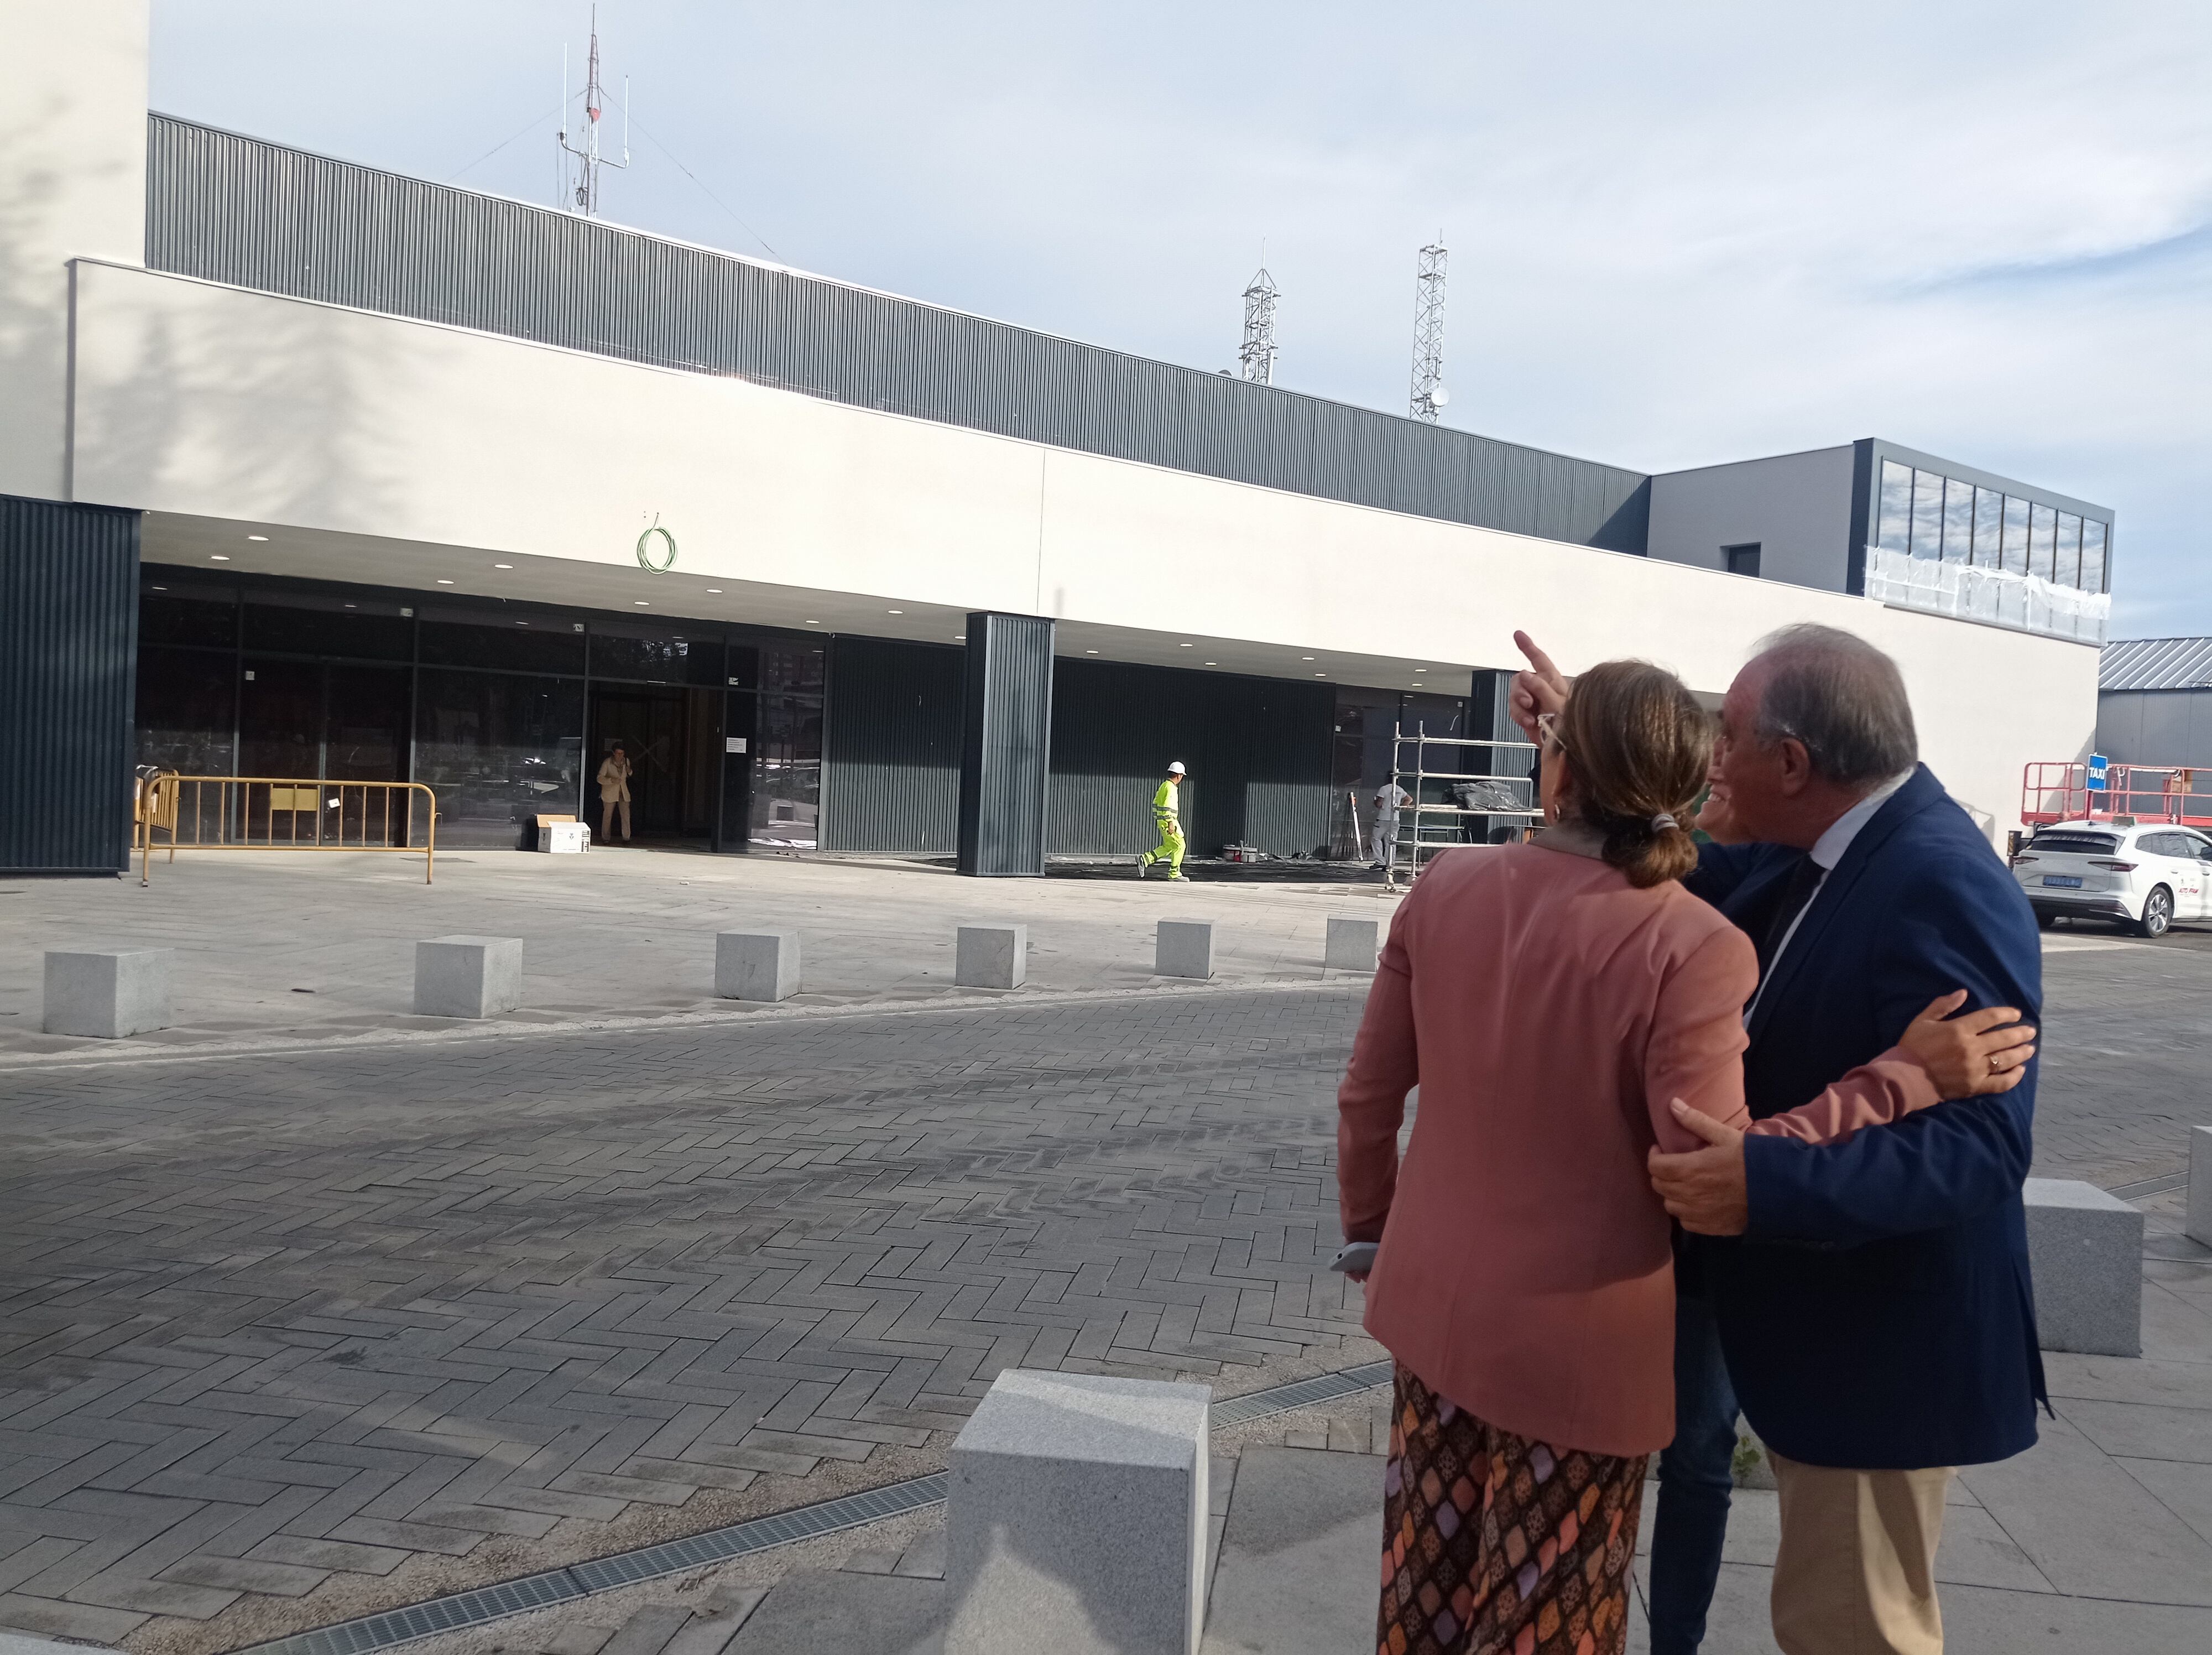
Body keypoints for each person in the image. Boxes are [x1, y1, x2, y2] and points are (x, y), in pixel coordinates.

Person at [1339, 659, 2034, 1655]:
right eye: (1703, 743)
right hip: (1577, 1350)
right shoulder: (1695, 938)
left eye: (1733, 738)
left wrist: (1370, 1234)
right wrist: (1902, 1080)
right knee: (1542, 1621)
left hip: (1430, 1313)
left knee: (1424, 1602)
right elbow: (1705, 1168)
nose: (1719, 759)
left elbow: (1367, 1097)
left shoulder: (1448, 882)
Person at [1137, 761, 1188, 879]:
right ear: (1179, 776)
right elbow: (1167, 805)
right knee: (1180, 845)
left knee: (1170, 846)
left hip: (1163, 821)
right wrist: (1170, 822)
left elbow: (1155, 803)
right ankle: (1174, 874)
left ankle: (1145, 859)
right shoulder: (1171, 788)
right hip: (1169, 821)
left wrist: (1160, 820)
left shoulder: (1164, 786)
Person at [596, 742, 633, 844]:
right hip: (610, 792)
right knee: (608, 815)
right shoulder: (607, 763)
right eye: (618, 753)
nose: (620, 756)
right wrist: (611, 780)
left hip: (623, 792)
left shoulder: (626, 761)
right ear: (614, 753)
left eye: (622, 753)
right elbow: (599, 778)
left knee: (626, 815)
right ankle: (606, 838)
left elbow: (629, 773)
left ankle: (626, 837)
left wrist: (630, 771)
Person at [1371, 778, 1410, 869]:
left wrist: (1375, 801)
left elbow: (1379, 804)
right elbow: (1409, 799)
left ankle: (1380, 861)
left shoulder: (1384, 789)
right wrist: (1400, 808)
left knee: (1376, 838)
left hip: (1383, 818)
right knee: (1391, 842)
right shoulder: (1400, 789)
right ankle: (1390, 863)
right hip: (1395, 819)